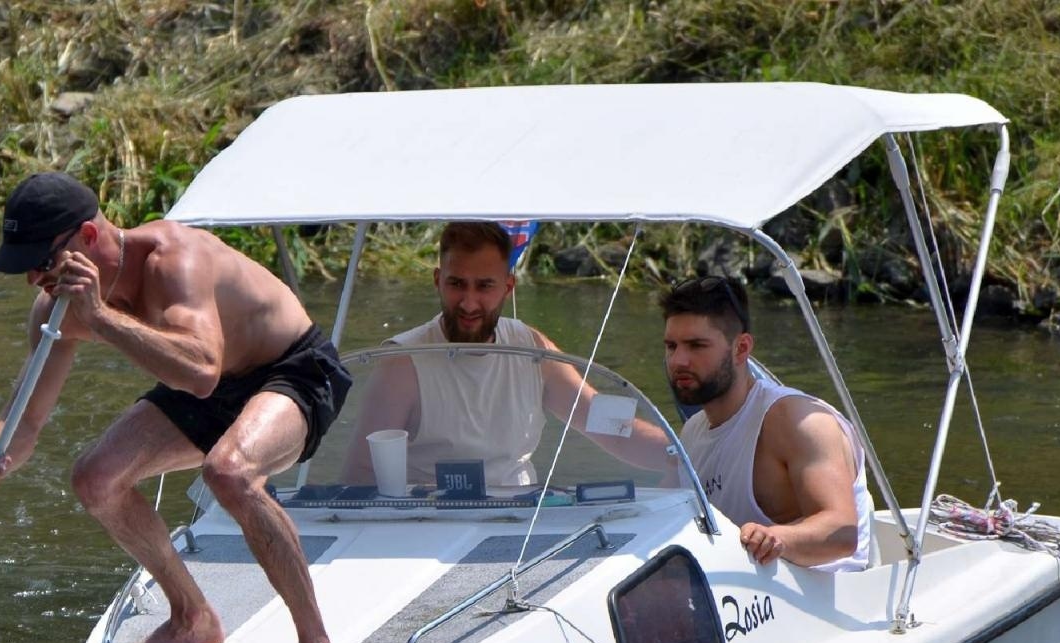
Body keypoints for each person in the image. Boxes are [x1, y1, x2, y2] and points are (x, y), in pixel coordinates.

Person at [0, 172, 353, 643]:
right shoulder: (56, 307)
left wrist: (101, 318)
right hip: (202, 380)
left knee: (229, 471)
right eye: (24, 267)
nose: (34, 279)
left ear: (87, 237)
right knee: (95, 479)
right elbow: (24, 417)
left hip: (292, 370)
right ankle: (191, 616)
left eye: (42, 262)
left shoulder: (174, 259)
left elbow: (201, 370)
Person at [340, 222, 670, 487]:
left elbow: (605, 421)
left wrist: (681, 455)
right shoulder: (402, 361)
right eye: (457, 284)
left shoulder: (532, 348)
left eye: (484, 286)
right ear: (438, 281)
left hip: (519, 522)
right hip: (430, 523)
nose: (469, 302)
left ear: (507, 288)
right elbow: (361, 474)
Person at [661, 276, 872, 571]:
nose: (678, 361)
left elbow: (841, 533)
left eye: (696, 345)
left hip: (835, 593)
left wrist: (775, 538)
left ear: (741, 348)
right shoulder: (692, 432)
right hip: (743, 588)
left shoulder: (799, 420)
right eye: (671, 346)